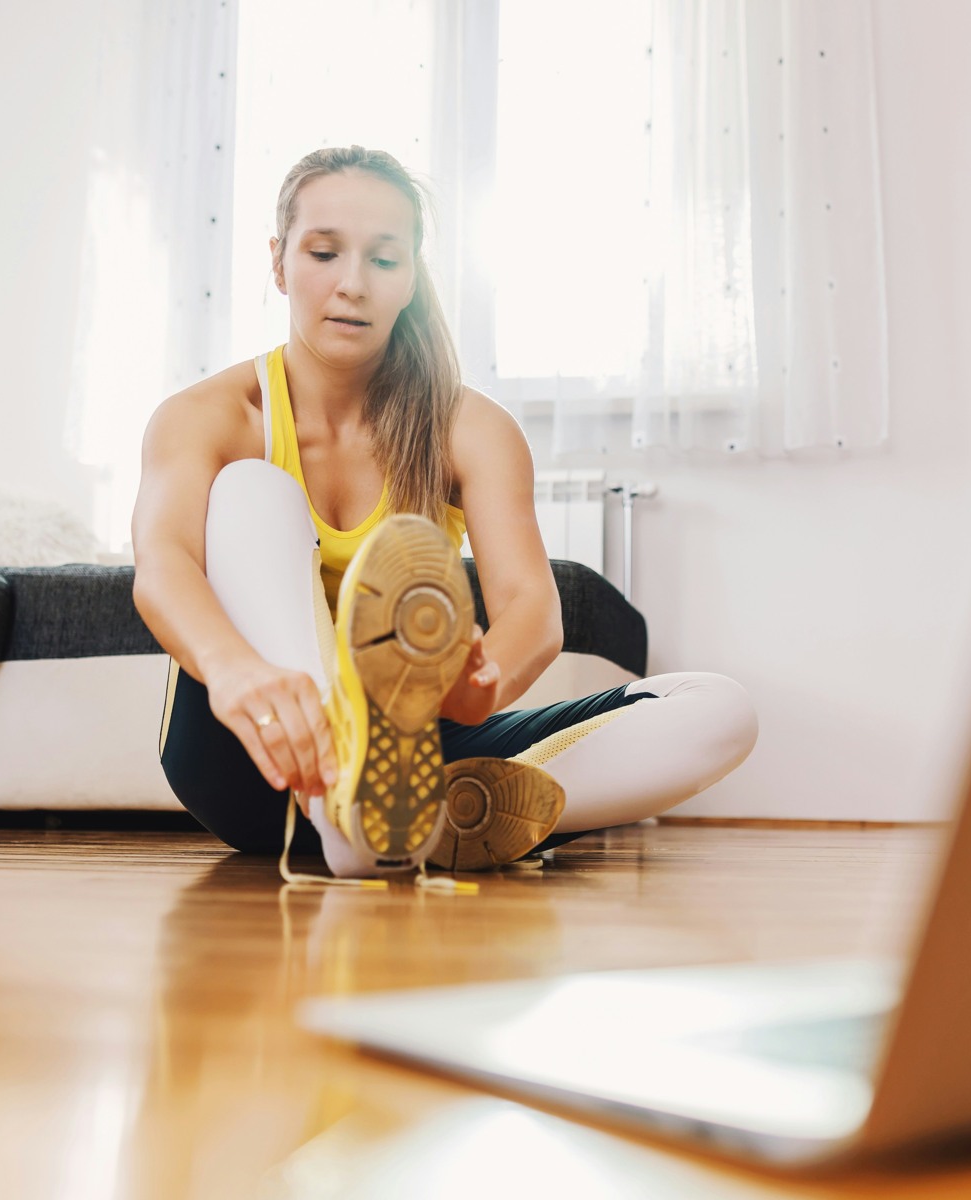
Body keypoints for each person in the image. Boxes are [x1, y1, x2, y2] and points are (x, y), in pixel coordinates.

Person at [133, 145, 757, 878]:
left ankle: (411, 822)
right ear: (279, 263)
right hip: (248, 752)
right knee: (249, 490)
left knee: (721, 708)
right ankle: (348, 811)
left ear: (412, 276)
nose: (353, 284)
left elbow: (531, 606)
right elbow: (162, 566)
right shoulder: (206, 416)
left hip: (413, 756)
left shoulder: (471, 429)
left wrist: (478, 679)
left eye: (385, 260)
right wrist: (237, 672)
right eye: (325, 252)